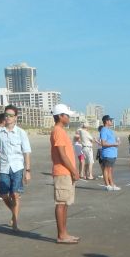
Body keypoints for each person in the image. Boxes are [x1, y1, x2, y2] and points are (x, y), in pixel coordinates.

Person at [0, 105, 32, 230]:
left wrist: (28, 171)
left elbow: (26, 152)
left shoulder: (21, 133)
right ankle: (14, 212)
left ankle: (15, 222)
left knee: (15, 194)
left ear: (15, 117)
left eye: (11, 115)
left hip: (17, 167)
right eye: (6, 115)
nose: (8, 117)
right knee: (3, 194)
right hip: (3, 167)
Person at [50, 104, 81, 244]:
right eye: (67, 115)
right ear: (60, 116)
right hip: (62, 172)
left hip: (66, 172)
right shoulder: (58, 131)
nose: (69, 118)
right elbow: (62, 154)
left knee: (65, 203)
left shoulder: (61, 131)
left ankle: (64, 233)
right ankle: (61, 235)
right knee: (61, 203)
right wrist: (74, 170)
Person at [98, 115, 120, 191]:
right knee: (106, 169)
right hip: (107, 153)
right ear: (106, 121)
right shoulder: (103, 130)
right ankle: (107, 185)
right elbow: (103, 143)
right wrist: (114, 144)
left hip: (113, 153)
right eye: (110, 120)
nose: (111, 121)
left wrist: (117, 143)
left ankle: (112, 185)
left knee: (110, 170)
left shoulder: (110, 130)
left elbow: (111, 141)